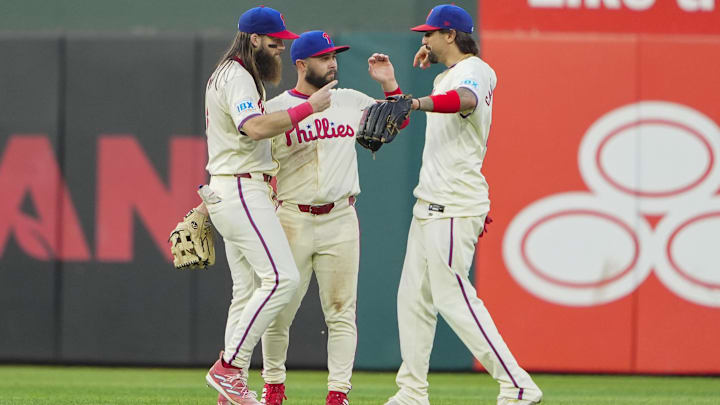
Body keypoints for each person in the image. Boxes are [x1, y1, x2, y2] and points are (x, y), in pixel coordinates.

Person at [217, 30, 407, 405]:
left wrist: (390, 86)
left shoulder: (350, 101)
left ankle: (338, 394)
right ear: (302, 64)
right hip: (291, 216)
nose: (333, 63)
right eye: (324, 57)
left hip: (340, 217)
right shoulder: (276, 109)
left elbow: (393, 123)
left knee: (341, 313)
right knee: (279, 314)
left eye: (334, 56)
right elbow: (247, 162)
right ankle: (273, 389)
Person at [384, 4, 543, 405]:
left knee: (452, 297)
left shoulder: (473, 70)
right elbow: (450, 91)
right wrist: (414, 81)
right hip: (433, 202)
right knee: (413, 299)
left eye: (429, 34)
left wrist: (418, 102)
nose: (424, 40)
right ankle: (412, 392)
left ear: (450, 35)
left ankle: (518, 384)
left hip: (453, 203)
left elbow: (466, 99)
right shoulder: (449, 74)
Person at [197, 7, 337, 405]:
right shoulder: (238, 76)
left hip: (232, 186)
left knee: (245, 292)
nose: (280, 47)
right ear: (253, 39)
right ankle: (229, 368)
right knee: (281, 280)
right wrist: (308, 107)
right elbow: (254, 127)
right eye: (275, 41)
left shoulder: (232, 73)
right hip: (241, 189)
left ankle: (230, 390)